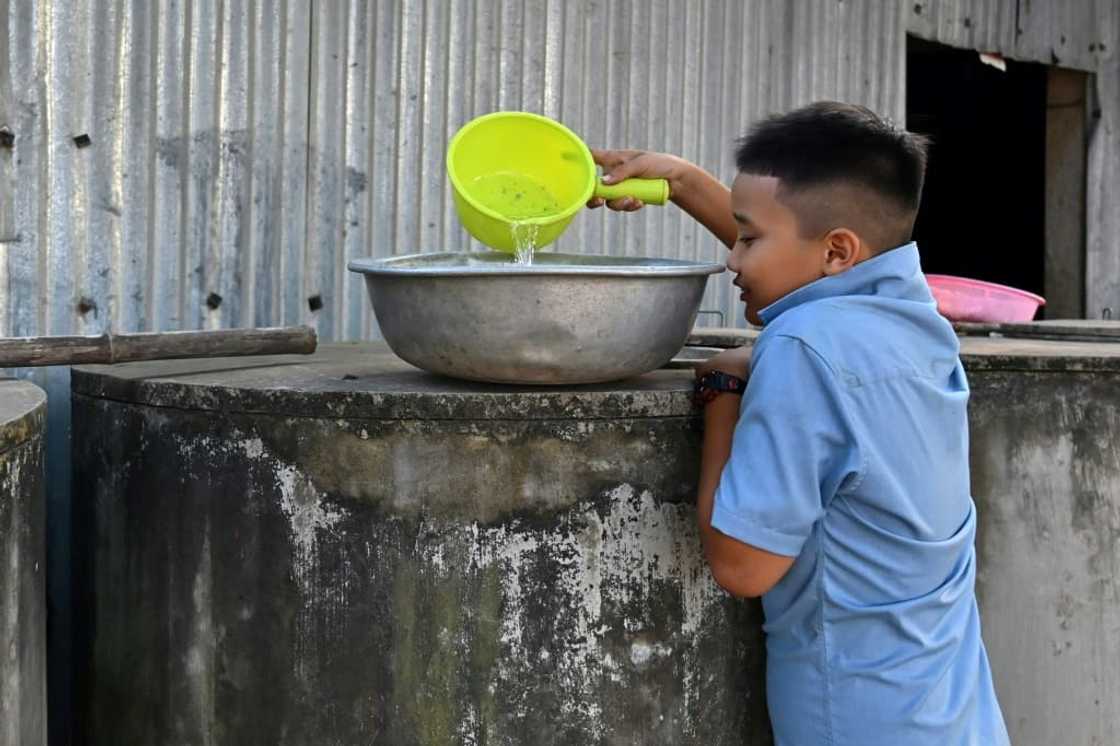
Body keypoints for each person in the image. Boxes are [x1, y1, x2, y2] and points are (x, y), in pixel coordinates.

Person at [590, 101, 1009, 745]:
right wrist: (679, 181)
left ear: (839, 249)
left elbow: (743, 566)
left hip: (858, 721)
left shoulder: (802, 349)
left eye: (746, 238)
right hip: (952, 711)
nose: (732, 260)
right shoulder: (913, 317)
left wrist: (725, 394)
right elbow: (803, 257)